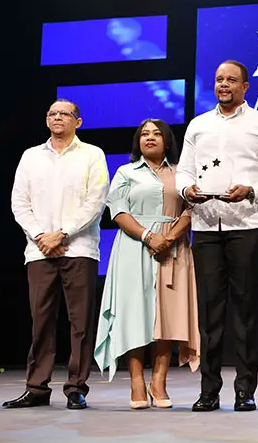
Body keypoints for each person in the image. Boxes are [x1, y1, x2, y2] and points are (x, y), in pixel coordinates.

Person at [176, 60, 258, 412]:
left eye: (231, 80)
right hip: (207, 225)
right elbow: (182, 170)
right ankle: (209, 391)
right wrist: (186, 189)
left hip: (248, 225)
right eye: (218, 79)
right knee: (210, 312)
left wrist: (251, 190)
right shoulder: (199, 125)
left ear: (245, 87)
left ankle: (245, 390)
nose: (223, 84)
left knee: (244, 310)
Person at [4, 99, 108, 410]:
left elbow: (96, 201)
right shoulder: (31, 156)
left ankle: (76, 387)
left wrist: (61, 233)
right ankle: (36, 387)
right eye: (52, 113)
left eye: (64, 113)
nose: (57, 117)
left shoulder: (92, 154)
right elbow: (19, 202)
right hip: (38, 251)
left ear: (78, 121)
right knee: (41, 321)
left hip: (79, 248)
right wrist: (41, 236)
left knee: (81, 323)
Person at [93, 119, 200, 409]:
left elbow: (191, 209)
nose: (149, 138)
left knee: (167, 317)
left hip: (173, 248)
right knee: (136, 316)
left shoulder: (181, 174)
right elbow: (117, 210)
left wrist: (170, 237)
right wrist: (148, 236)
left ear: (167, 141)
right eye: (144, 134)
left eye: (156, 134)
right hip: (134, 247)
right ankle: (137, 382)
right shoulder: (126, 172)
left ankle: (159, 381)